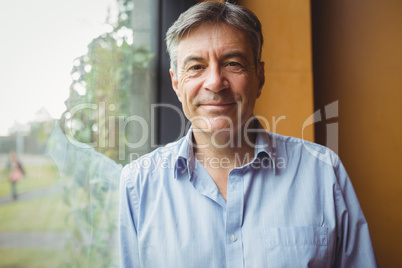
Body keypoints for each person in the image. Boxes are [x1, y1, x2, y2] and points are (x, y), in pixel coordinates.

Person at [119, 2, 378, 267]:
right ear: (176, 83)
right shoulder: (136, 186)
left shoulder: (324, 172)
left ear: (260, 78)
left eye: (233, 63)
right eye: (196, 67)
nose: (215, 83)